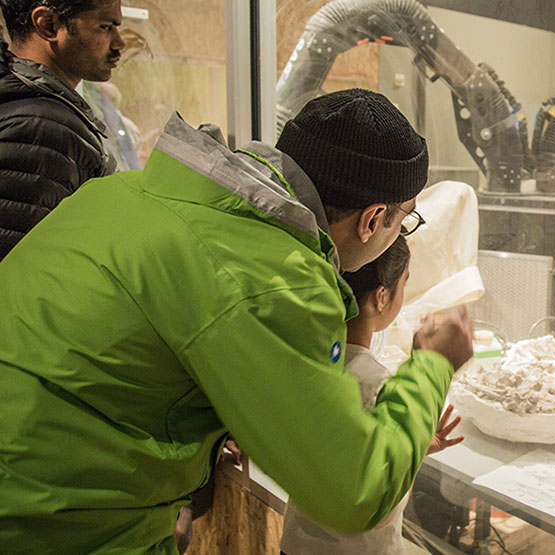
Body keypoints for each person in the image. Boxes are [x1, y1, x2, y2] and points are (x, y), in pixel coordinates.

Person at [0, 89, 473, 552]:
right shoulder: (279, 278)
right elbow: (353, 492)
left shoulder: (121, 193)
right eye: (404, 222)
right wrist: (432, 366)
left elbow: (118, 354)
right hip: (61, 525)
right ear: (372, 220)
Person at [282, 236, 465, 554]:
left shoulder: (308, 364)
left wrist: (412, 445)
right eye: (404, 283)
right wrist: (410, 430)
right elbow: (375, 497)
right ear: (381, 297)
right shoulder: (376, 384)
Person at [0, 0, 125, 259]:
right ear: (48, 24)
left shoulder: (45, 112)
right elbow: (23, 269)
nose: (119, 43)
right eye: (105, 27)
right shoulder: (39, 125)